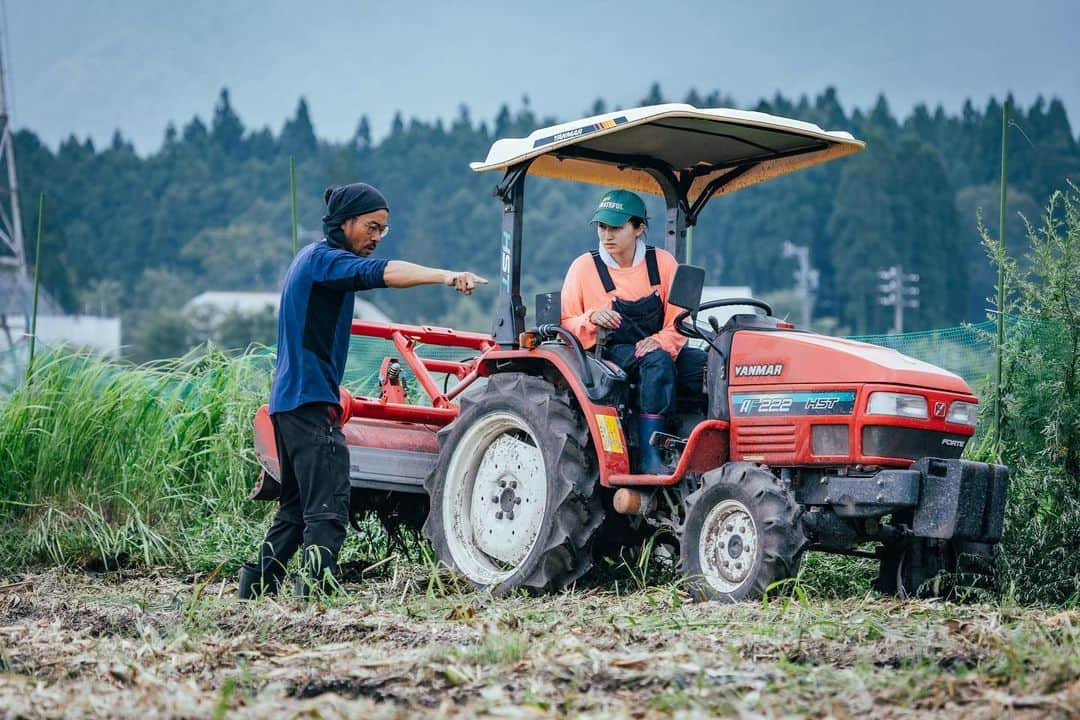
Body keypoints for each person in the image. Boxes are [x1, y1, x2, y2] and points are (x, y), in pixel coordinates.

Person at [239, 182, 486, 600]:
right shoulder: (326, 262)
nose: (376, 237)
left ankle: (256, 589)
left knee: (297, 509)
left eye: (383, 230)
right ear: (346, 223)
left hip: (289, 402)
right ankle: (313, 595)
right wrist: (445, 276)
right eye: (372, 227)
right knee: (329, 510)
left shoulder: (309, 259)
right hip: (311, 401)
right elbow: (383, 273)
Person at [561, 189, 706, 474]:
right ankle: (651, 457)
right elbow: (567, 321)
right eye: (602, 227)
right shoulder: (583, 267)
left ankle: (700, 442)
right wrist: (592, 317)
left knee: (712, 367)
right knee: (657, 362)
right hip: (609, 353)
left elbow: (680, 321)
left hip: (658, 346)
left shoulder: (663, 264)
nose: (606, 236)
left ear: (638, 228)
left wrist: (660, 339)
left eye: (615, 228)